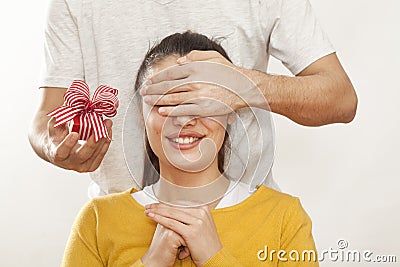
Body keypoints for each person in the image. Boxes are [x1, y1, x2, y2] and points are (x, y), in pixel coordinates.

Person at [29, 0, 357, 196]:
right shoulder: (74, 3)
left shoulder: (278, 222)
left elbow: (341, 99)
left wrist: (244, 85)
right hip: (121, 224)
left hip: (244, 222)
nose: (182, 119)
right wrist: (53, 146)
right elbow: (46, 118)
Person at [62, 32, 319, 267]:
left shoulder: (284, 218)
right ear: (141, 114)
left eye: (199, 103)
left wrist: (213, 256)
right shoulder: (97, 221)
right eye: (166, 102)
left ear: (232, 109)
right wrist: (151, 262)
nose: (184, 120)